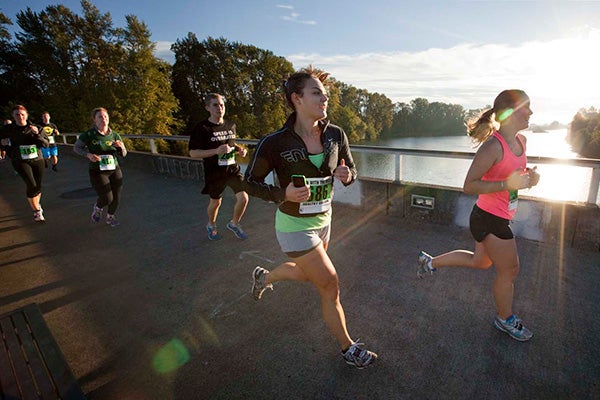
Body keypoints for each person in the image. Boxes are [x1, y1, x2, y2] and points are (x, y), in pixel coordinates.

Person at [244, 66, 377, 368]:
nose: (324, 98)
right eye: (316, 92)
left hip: (323, 222)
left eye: (325, 93)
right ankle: (348, 348)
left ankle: (263, 277)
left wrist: (346, 175)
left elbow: (352, 171)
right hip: (293, 225)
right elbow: (249, 183)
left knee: (307, 274)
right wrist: (283, 195)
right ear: (297, 99)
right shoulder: (275, 142)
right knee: (330, 283)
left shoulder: (335, 135)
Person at [417, 89, 540, 342]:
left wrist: (530, 178)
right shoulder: (492, 147)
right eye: (526, 108)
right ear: (509, 113)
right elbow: (469, 185)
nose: (531, 112)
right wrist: (509, 184)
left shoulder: (521, 142)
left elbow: (514, 174)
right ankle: (505, 319)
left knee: (480, 262)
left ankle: (429, 262)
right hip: (489, 217)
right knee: (510, 270)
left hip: (499, 214)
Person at [188, 93, 249, 240]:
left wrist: (240, 149)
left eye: (222, 105)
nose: (219, 108)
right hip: (215, 172)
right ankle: (211, 224)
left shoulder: (230, 125)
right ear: (207, 107)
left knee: (244, 198)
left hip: (232, 170)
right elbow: (193, 153)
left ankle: (234, 223)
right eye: (215, 105)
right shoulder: (202, 128)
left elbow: (231, 145)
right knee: (216, 202)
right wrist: (215, 151)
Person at [74, 107, 127, 227]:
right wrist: (88, 155)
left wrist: (120, 147)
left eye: (105, 117)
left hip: (114, 168)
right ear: (94, 120)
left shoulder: (115, 135)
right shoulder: (89, 134)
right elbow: (76, 148)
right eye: (100, 117)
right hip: (98, 170)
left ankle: (110, 217)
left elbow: (124, 154)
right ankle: (98, 208)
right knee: (107, 197)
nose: (103, 119)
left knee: (117, 197)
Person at [0, 105, 49, 222]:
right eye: (17, 114)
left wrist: (37, 134)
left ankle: (36, 205)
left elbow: (46, 144)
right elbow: (1, 143)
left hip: (37, 160)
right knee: (31, 184)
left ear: (26, 115)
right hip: (20, 160)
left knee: (38, 185)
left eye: (22, 114)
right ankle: (37, 210)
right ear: (13, 116)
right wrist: (2, 143)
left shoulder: (36, 127)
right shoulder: (7, 130)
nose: (20, 117)